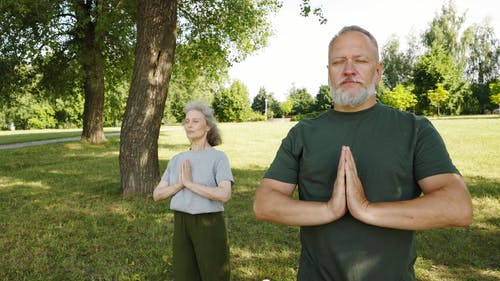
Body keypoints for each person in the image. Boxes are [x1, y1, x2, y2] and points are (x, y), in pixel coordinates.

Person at [253, 25, 473, 281]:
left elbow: (458, 207)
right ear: (329, 74)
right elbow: (264, 204)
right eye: (338, 62)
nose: (349, 70)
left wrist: (366, 209)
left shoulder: (414, 129)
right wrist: (329, 210)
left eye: (360, 60)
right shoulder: (303, 133)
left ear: (377, 72)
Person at [153, 100, 234, 281]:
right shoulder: (177, 159)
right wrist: (180, 185)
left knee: (214, 274)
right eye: (187, 121)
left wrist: (190, 184)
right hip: (182, 223)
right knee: (184, 274)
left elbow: (224, 194)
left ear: (208, 127)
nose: (189, 125)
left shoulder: (218, 158)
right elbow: (157, 195)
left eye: (195, 121)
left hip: (209, 223)